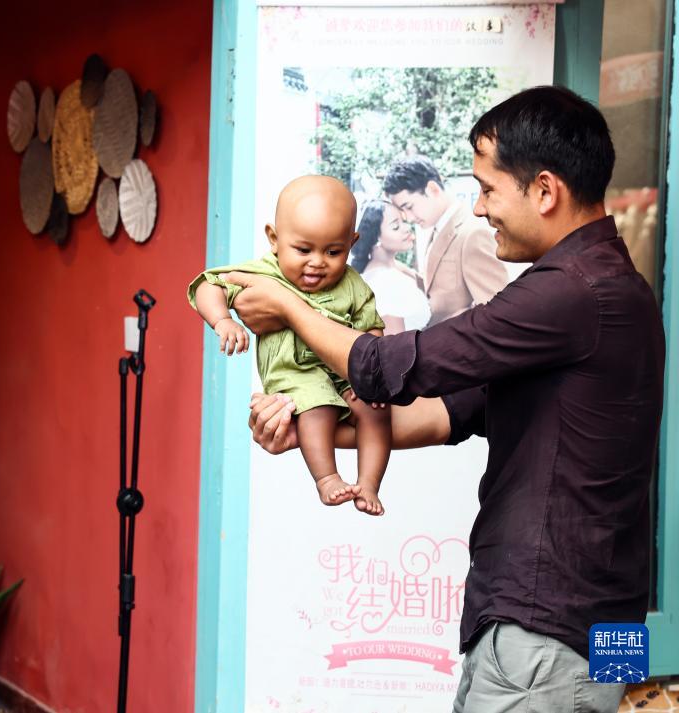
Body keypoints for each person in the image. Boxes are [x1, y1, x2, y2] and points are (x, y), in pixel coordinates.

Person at [230, 87, 664, 712]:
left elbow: (389, 367)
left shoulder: (572, 291)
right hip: (601, 623)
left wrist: (290, 305)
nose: (479, 208)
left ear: (545, 191)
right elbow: (446, 413)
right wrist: (306, 429)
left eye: (488, 189)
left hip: (544, 631)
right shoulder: (620, 289)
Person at [188, 175, 390, 514]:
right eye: (303, 250)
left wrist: (373, 380)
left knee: (376, 410)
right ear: (274, 238)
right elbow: (210, 285)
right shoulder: (264, 272)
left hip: (344, 371)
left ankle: (369, 483)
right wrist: (222, 320)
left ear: (351, 243)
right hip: (296, 372)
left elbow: (372, 331)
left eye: (333, 251)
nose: (317, 261)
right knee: (316, 403)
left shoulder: (354, 285)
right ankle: (327, 478)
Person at [383, 155, 509, 325]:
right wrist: (389, 263)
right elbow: (436, 287)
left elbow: (497, 314)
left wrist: (460, 320)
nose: (410, 218)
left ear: (432, 189)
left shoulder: (473, 233)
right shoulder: (436, 228)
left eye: (409, 207)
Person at [349, 200, 431, 334]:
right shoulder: (385, 282)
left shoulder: (394, 269)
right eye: (395, 226)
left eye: (403, 221)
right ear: (376, 238)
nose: (407, 228)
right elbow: (393, 343)